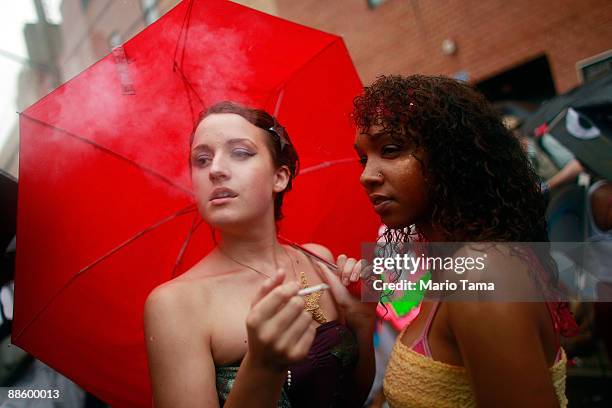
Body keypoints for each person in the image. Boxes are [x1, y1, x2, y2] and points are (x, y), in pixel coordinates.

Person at [351, 75, 578, 407]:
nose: (366, 175)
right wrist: (359, 317)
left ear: (450, 157)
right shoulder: (453, 266)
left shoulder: (480, 273)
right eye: (363, 158)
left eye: (391, 149)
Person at [143, 101, 375, 407]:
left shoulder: (317, 260)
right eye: (201, 159)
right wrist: (262, 365)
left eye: (240, 153)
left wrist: (362, 321)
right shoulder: (174, 305)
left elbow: (354, 396)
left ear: (279, 177)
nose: (215, 170)